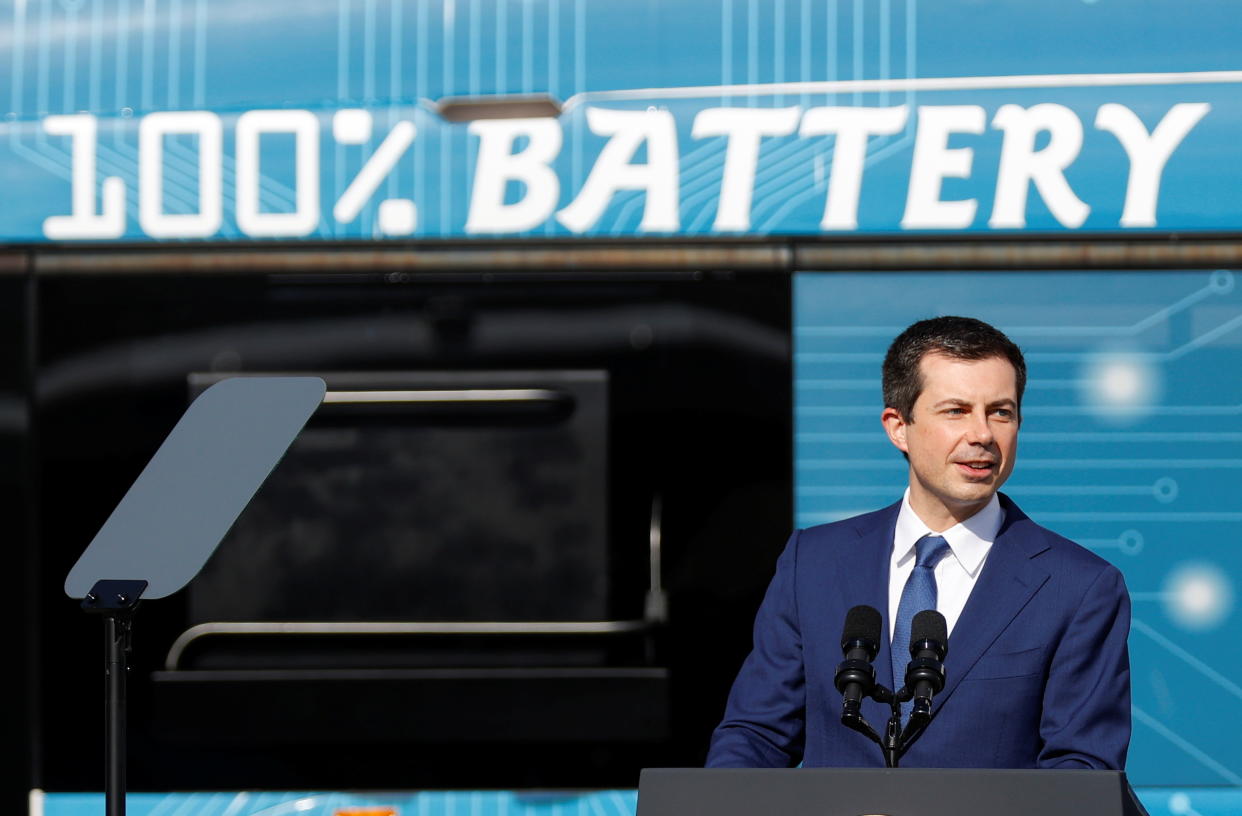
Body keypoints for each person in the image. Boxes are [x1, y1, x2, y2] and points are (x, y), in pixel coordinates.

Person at [706, 316, 1131, 769]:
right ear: (898, 427)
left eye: (1001, 412)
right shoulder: (812, 563)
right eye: (956, 410)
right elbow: (756, 736)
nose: (983, 434)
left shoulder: (1079, 587)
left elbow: (1081, 769)